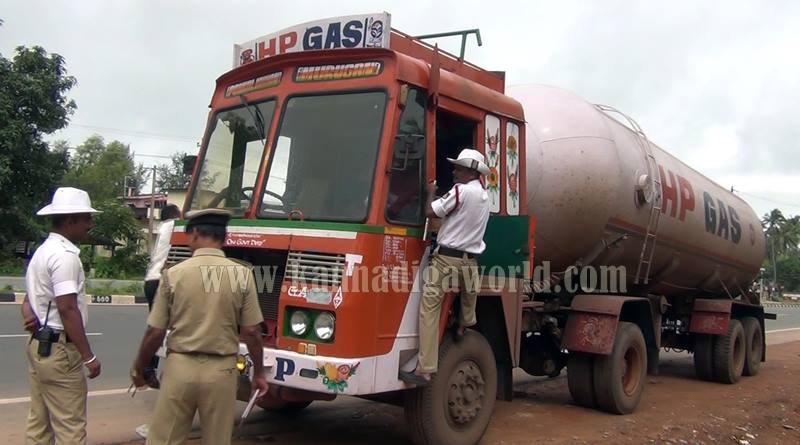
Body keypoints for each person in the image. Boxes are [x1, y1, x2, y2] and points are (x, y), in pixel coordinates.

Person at [130, 208, 268, 445]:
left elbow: (155, 332)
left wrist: (139, 368)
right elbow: (252, 332)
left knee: (165, 439)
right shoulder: (241, 275)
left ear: (193, 234)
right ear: (223, 238)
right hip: (222, 372)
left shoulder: (174, 275)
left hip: (179, 368)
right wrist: (259, 374)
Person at [399, 148, 491, 386]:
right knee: (469, 296)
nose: (454, 171)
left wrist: (430, 193)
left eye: (458, 168)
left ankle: (425, 369)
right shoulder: (484, 195)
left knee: (429, 309)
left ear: (471, 171)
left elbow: (431, 212)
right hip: (470, 261)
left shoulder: (460, 191)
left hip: (447, 259)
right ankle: (463, 325)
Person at [21, 187, 103, 444]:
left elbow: (29, 298)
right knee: (71, 429)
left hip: (38, 346)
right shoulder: (65, 257)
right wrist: (88, 356)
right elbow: (67, 308)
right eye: (86, 218)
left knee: (39, 425)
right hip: (58, 351)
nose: (90, 224)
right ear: (70, 220)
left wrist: (28, 311)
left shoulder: (43, 251)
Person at [142, 205, 181, 373]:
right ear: (176, 215)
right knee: (166, 327)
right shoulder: (174, 225)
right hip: (160, 280)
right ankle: (149, 368)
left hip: (150, 279)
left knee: (156, 325)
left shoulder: (162, 227)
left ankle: (149, 367)